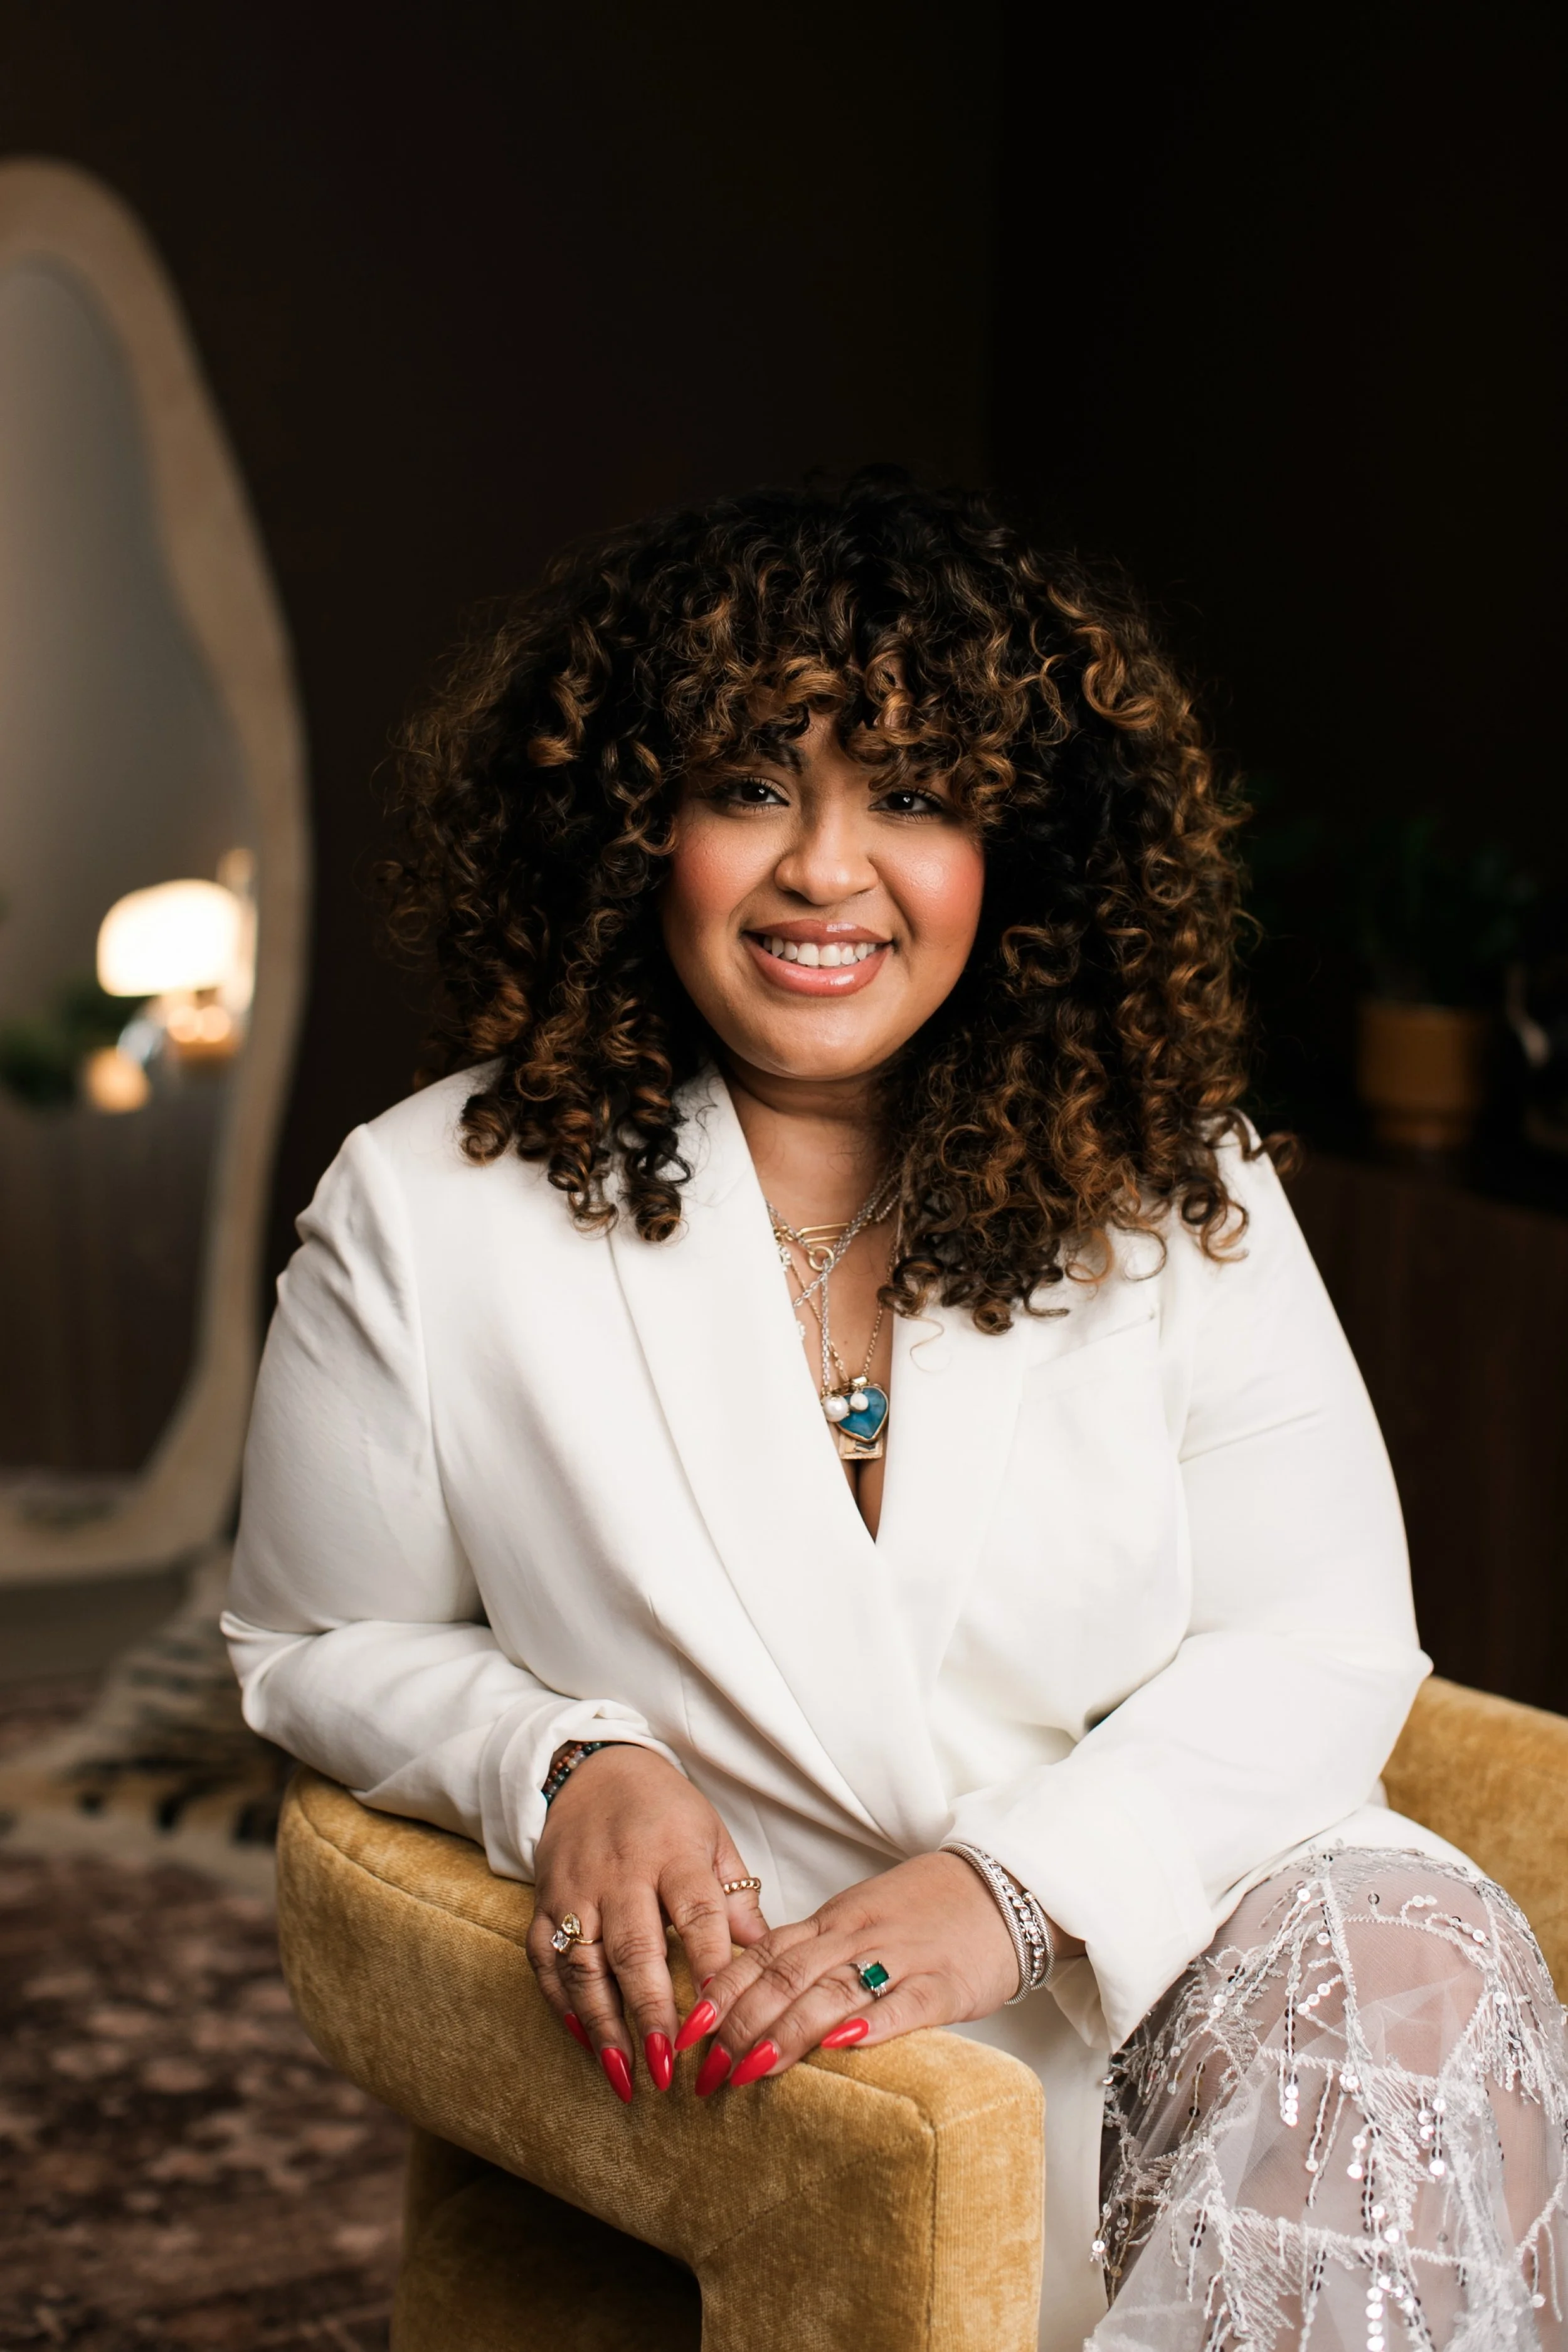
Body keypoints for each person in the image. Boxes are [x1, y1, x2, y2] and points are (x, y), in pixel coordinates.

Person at [225, 474, 1568, 2349]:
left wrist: (1008, 1892)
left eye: (914, 797)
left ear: (1019, 850)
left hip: (1153, 1924)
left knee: (1411, 1964)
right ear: (632, 825)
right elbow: (312, 1637)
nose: (825, 872)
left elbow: (1320, 1638)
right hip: (818, 2045)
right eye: (752, 786)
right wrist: (562, 1760)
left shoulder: (1175, 1182)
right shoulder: (431, 1204)